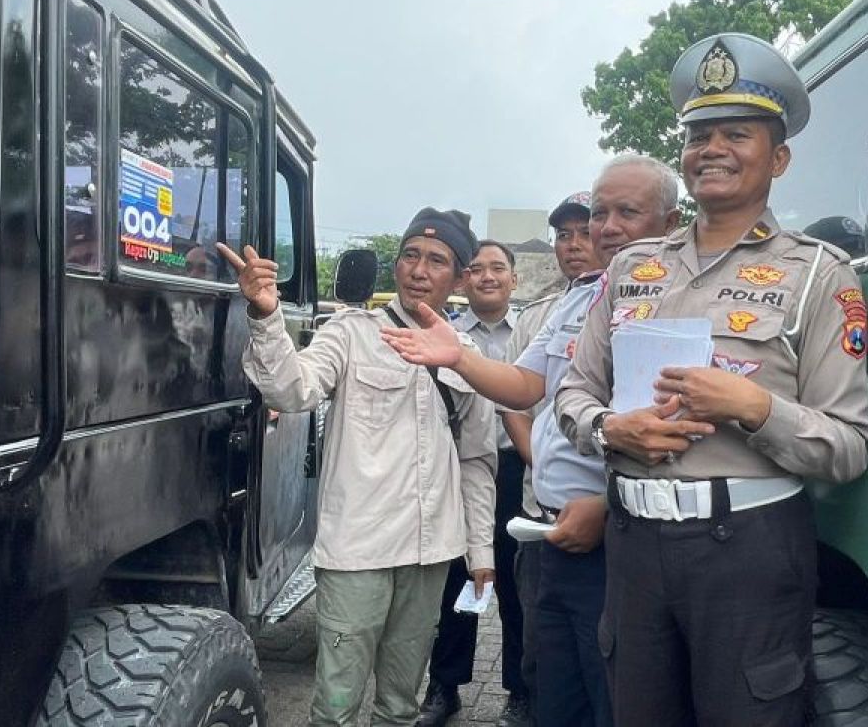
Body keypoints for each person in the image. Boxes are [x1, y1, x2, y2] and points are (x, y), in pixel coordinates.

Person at [554, 33, 868, 726]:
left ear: (778, 158)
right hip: (634, 543)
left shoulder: (820, 273)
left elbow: (849, 447)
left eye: (737, 134)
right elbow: (573, 392)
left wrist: (756, 407)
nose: (712, 149)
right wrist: (611, 429)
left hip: (751, 549)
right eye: (699, 135)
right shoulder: (632, 267)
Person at [382, 156, 682, 727]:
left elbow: (676, 429)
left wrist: (608, 505)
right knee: (553, 691)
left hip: (619, 535)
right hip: (550, 531)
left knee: (615, 696)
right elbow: (524, 385)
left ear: (669, 223)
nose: (606, 228)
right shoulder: (581, 297)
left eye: (626, 212)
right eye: (599, 214)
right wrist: (459, 357)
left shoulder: (678, 297)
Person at [216, 207, 497, 727]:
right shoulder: (350, 332)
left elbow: (476, 461)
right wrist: (265, 315)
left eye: (437, 260)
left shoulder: (467, 354)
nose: (419, 270)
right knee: (336, 705)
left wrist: (480, 550)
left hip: (431, 551)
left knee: (401, 704)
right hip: (357, 550)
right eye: (410, 255)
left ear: (459, 278)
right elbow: (292, 390)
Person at [419, 239, 528, 727]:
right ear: (464, 280)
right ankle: (444, 687)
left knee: (517, 587)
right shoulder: (446, 335)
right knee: (457, 582)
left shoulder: (532, 332)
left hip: (519, 470)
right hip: (461, 470)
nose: (487, 276)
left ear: (513, 279)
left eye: (497, 268)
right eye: (477, 269)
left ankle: (521, 692)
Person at [501, 191, 595, 717]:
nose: (573, 244)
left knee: (604, 660)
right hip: (542, 511)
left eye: (585, 232)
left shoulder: (636, 305)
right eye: (563, 235)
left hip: (609, 514)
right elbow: (514, 397)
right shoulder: (540, 314)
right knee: (542, 644)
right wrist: (541, 461)